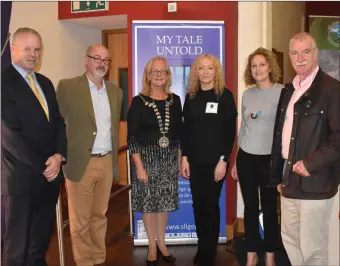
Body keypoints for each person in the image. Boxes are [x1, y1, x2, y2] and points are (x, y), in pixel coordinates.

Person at [269, 32, 340, 266]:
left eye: (306, 52)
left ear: (315, 54)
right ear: (289, 56)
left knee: (313, 249)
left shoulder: (331, 89)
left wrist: (311, 164)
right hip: (289, 182)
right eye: (295, 52)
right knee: (290, 241)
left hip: (316, 182)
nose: (300, 58)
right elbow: (281, 135)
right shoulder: (288, 91)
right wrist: (279, 173)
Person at [1, 27, 67, 266]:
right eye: (27, 48)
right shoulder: (3, 83)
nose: (33, 54)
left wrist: (59, 156)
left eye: (37, 49)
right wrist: (44, 165)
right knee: (17, 247)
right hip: (21, 179)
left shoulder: (45, 83)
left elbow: (58, 122)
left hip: (49, 177)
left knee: (39, 241)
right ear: (13, 49)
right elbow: (9, 135)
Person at [56, 44, 122, 266]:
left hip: (106, 161)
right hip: (79, 163)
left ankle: (98, 259)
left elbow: (113, 128)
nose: (101, 63)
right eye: (97, 58)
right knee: (80, 221)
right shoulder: (68, 87)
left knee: (99, 217)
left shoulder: (115, 91)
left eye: (106, 59)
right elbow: (55, 124)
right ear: (86, 60)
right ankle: (84, 262)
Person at [181, 54, 237, 266]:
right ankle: (202, 246)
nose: (205, 72)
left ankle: (210, 249)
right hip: (194, 161)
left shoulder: (224, 95)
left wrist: (223, 159)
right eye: (201, 68)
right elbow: (186, 130)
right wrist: (184, 157)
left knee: (211, 204)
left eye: (210, 68)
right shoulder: (191, 96)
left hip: (216, 163)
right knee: (198, 204)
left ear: (216, 71)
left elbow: (229, 132)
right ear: (196, 71)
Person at [230, 47, 283, 266]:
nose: (258, 69)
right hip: (247, 158)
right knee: (250, 208)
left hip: (270, 160)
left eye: (262, 64)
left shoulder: (282, 92)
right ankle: (252, 252)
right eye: (254, 66)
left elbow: (285, 129)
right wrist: (235, 160)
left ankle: (270, 254)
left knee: (270, 209)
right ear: (249, 71)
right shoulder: (247, 94)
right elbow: (243, 128)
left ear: (270, 67)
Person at [127, 56, 182, 266]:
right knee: (149, 206)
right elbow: (132, 138)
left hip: (169, 160)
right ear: (148, 75)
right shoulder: (138, 101)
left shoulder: (175, 100)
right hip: (146, 162)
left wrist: (178, 161)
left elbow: (178, 135)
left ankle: (162, 243)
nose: (159, 75)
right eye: (155, 71)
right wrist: (139, 167)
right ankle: (151, 245)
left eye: (163, 71)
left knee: (163, 205)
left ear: (168, 75)